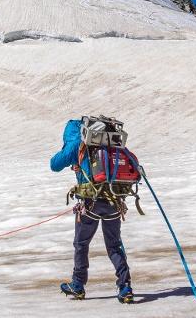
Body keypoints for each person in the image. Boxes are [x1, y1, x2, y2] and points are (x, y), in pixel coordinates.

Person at [51, 119, 134, 304]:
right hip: (114, 199)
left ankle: (78, 285)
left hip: (90, 203)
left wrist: (68, 150)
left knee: (81, 244)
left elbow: (54, 164)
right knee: (114, 245)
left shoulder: (76, 144)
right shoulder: (110, 142)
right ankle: (125, 286)